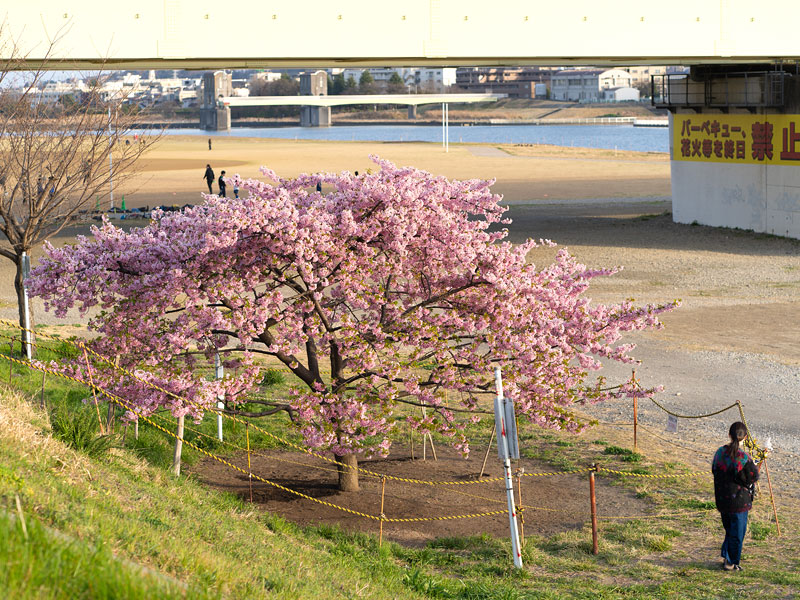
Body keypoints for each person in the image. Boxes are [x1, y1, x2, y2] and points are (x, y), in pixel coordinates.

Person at [712, 422, 759, 571]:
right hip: (739, 502)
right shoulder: (744, 457)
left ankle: (727, 557)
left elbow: (715, 470)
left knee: (729, 530)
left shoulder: (720, 453)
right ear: (745, 437)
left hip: (722, 500)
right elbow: (753, 477)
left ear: (729, 435)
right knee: (737, 533)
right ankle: (730, 563)